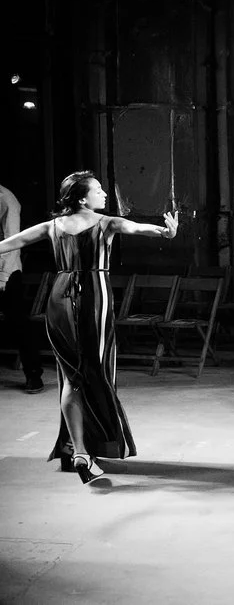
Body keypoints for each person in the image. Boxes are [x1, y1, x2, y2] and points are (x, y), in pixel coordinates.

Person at [0, 171, 179, 485]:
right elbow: (138, 228)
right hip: (93, 295)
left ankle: (80, 449)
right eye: (98, 190)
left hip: (59, 296)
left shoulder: (52, 226)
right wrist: (166, 233)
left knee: (71, 375)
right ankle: (88, 447)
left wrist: (162, 231)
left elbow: (9, 243)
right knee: (94, 372)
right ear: (82, 198)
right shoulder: (105, 223)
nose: (104, 194)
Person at [0, 183, 45, 393]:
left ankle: (33, 374)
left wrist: (4, 276)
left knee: (18, 322)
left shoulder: (5, 198)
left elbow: (13, 240)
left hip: (7, 272)